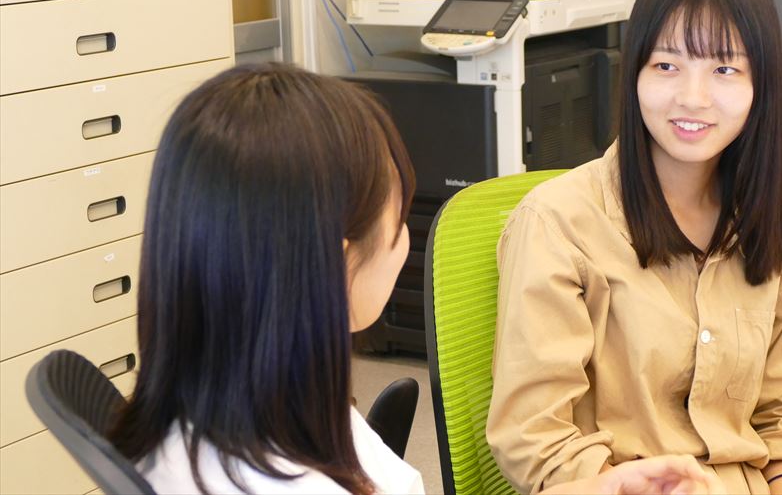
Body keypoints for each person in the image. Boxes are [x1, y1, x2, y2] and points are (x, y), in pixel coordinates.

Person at [108, 63, 725, 494]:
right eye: (398, 219)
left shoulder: (217, 416)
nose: (405, 241)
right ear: (335, 265)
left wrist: (595, 488)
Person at [486, 0, 782, 495]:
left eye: (724, 69)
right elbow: (534, 436)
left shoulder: (781, 229)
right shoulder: (558, 224)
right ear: (634, 74)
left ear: (760, 85)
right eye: (667, 66)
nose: (692, 98)